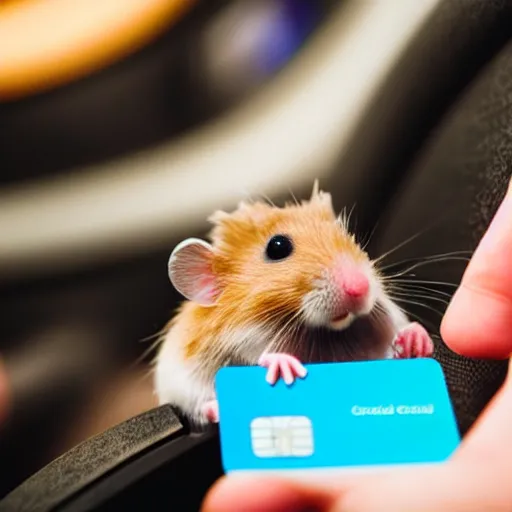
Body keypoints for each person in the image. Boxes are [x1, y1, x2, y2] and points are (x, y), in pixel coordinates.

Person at [202, 176, 512, 512]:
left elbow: (384, 368)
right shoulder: (220, 330)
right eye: (281, 250)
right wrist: (218, 402)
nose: (354, 285)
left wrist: (405, 344)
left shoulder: (371, 307)